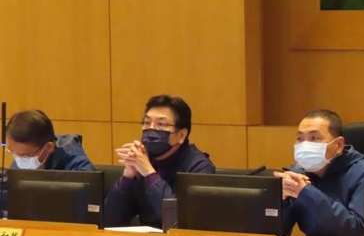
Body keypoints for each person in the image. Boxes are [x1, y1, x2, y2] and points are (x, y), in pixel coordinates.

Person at [104, 95, 214, 228]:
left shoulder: (199, 167)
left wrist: (149, 173)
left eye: (161, 124)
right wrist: (127, 177)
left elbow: (179, 221)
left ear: (181, 135)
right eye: (146, 123)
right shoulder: (142, 161)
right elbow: (110, 221)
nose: (151, 129)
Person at [277, 109, 364, 236]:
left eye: (314, 138)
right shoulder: (298, 174)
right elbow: (276, 234)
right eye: (300, 139)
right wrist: (281, 201)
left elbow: (357, 233)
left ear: (338, 145)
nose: (305, 145)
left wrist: (307, 193)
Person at [1, 109, 95, 213]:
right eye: (13, 152)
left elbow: (88, 209)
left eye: (25, 155)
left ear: (49, 147)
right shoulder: (19, 161)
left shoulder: (79, 168)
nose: (18, 160)